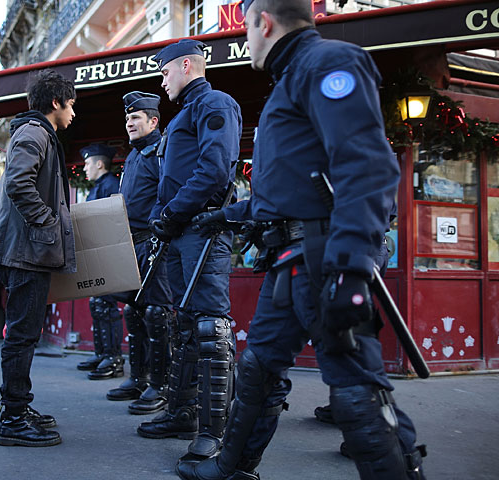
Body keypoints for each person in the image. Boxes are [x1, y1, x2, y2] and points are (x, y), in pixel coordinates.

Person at [177, 1, 426, 479]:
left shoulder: (327, 63)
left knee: (356, 387)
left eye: (246, 29)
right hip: (291, 259)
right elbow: (286, 193)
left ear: (262, 22)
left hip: (323, 257)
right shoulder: (291, 80)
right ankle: (231, 468)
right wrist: (223, 216)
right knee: (258, 371)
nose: (245, 41)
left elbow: (366, 167)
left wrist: (351, 269)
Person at [137, 39, 242, 467]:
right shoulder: (187, 112)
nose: (162, 82)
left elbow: (215, 169)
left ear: (185, 65)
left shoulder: (213, 102)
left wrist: (174, 212)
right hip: (183, 231)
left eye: (164, 73)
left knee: (209, 328)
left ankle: (215, 434)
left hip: (202, 229)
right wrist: (167, 217)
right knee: (185, 326)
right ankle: (184, 413)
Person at [0, 68, 77, 447]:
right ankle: (14, 417)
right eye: (71, 105)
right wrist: (48, 225)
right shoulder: (35, 133)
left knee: (23, 334)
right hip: (24, 254)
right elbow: (19, 182)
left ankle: (19, 407)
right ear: (56, 102)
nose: (73, 114)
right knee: (21, 336)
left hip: (25, 252)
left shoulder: (36, 133)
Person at [105, 91, 174, 415]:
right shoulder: (134, 156)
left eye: (136, 118)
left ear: (153, 121)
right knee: (133, 313)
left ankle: (161, 385)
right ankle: (139, 378)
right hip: (130, 243)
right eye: (127, 118)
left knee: (157, 314)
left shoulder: (163, 151)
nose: (129, 123)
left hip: (154, 242)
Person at [76, 143, 124, 379]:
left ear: (99, 163)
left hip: (107, 254)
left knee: (107, 307)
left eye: (87, 163)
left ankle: (112, 357)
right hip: (97, 253)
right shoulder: (100, 186)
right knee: (98, 305)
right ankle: (101, 353)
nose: (84, 168)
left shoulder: (111, 185)